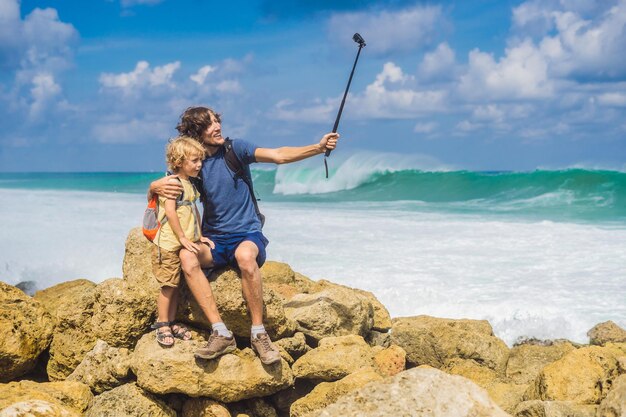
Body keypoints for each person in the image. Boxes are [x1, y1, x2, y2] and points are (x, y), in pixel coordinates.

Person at [149, 106, 339, 364]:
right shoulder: (195, 162)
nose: (216, 126)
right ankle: (220, 332)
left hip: (247, 233)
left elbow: (279, 155)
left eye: (216, 120)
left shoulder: (235, 150)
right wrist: (153, 186)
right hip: (214, 239)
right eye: (208, 124)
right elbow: (170, 193)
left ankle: (259, 334)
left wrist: (317, 148)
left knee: (245, 257)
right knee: (187, 257)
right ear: (195, 132)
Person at [150, 136, 214, 347]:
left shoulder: (189, 184)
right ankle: (161, 324)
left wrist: (200, 235)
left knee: (176, 286)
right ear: (179, 162)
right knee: (168, 286)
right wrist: (183, 238)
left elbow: (193, 210)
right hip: (168, 244)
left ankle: (171, 320)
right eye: (194, 161)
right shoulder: (173, 183)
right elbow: (170, 211)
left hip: (181, 243)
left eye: (200, 160)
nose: (199, 165)